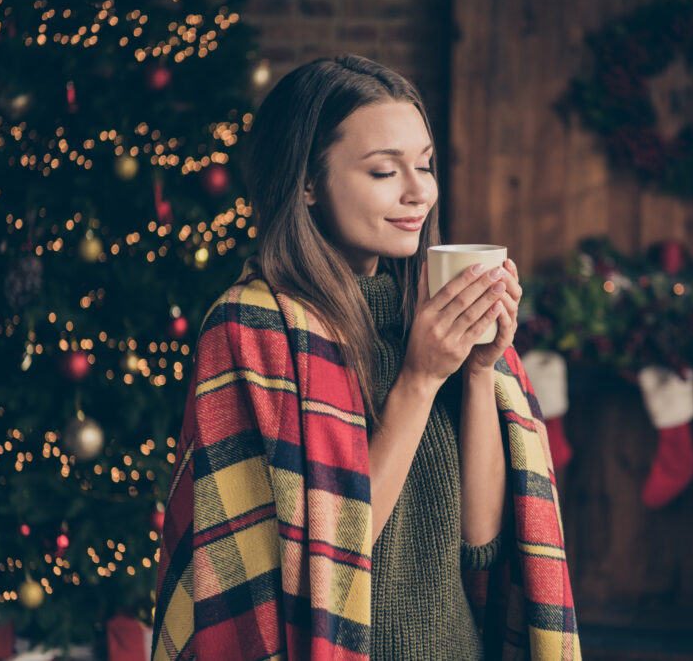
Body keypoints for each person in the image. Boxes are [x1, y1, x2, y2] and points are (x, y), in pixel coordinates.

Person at [151, 55, 581, 660]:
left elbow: (481, 545)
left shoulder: (429, 315)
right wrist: (420, 378)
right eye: (384, 171)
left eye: (425, 165)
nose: (419, 192)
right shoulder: (253, 327)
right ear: (306, 182)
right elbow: (321, 565)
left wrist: (480, 369)